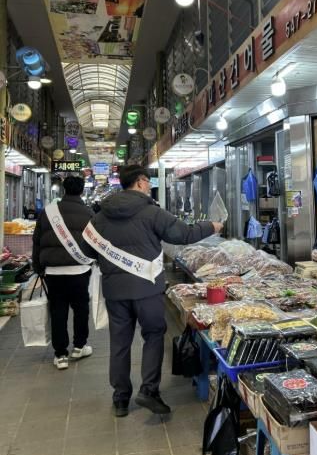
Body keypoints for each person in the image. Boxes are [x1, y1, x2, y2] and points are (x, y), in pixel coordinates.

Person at [82, 165, 223, 418]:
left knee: (120, 342)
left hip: (115, 291)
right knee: (154, 335)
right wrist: (211, 226)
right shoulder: (151, 212)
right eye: (147, 181)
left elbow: (87, 249)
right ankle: (149, 390)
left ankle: (120, 398)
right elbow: (183, 234)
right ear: (139, 182)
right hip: (147, 287)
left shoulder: (100, 216)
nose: (149, 186)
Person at [32, 176, 94, 370]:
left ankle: (60, 355)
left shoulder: (47, 212)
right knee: (81, 309)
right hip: (80, 270)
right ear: (82, 191)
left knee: (58, 311)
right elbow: (94, 242)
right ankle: (79, 346)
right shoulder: (88, 213)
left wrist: (38, 267)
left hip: (53, 272)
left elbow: (37, 241)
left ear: (64, 190)